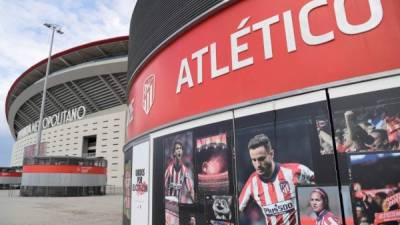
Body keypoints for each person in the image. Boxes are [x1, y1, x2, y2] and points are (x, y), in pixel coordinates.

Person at [239, 134, 315, 225]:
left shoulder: (295, 171)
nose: (257, 164)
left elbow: (325, 183)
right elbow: (236, 210)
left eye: (261, 159)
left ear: (271, 154)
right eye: (254, 160)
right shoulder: (252, 182)